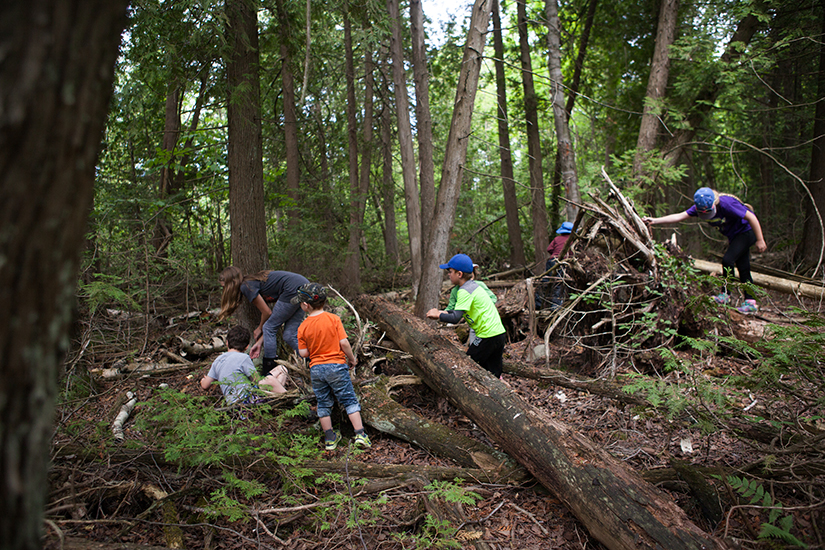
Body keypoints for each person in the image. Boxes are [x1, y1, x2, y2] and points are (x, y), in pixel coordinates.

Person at [643, 187, 767, 313]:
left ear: (714, 204)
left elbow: (752, 218)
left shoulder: (727, 204)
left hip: (747, 232)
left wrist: (760, 239)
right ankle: (750, 302)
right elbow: (680, 216)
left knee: (727, 260)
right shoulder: (699, 207)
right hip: (735, 236)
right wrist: (655, 220)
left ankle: (725, 295)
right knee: (743, 266)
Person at [294, 283, 371, 451]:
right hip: (336, 365)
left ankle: (329, 438)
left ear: (306, 305)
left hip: (316, 369)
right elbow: (343, 342)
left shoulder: (303, 326)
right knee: (349, 400)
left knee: (323, 403)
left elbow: (303, 353)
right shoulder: (333, 319)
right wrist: (352, 359)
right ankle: (360, 434)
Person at [427, 254, 507, 379]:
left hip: (487, 336)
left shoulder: (464, 291)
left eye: (450, 272)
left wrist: (438, 315)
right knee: (493, 373)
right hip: (499, 333)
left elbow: (455, 318)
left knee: (467, 365)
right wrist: (441, 312)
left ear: (459, 274)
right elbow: (454, 312)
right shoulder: (474, 287)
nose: (448, 274)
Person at [218, 266, 309, 376]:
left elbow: (267, 312)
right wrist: (259, 342)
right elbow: (274, 322)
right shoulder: (249, 282)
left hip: (293, 288)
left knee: (268, 327)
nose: (224, 290)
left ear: (231, 282)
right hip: (304, 287)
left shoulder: (246, 286)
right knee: (289, 335)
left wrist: (259, 327)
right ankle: (313, 361)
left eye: (225, 286)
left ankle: (269, 370)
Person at [200, 325, 288, 405]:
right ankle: (289, 399)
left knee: (281, 369)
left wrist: (203, 380)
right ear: (247, 346)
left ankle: (279, 399)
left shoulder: (218, 360)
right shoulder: (243, 358)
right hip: (246, 402)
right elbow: (257, 381)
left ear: (227, 342)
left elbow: (205, 385)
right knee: (272, 377)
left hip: (236, 405)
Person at [446, 262, 497, 345]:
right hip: (473, 325)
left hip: (485, 324)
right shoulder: (455, 291)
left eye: (471, 272)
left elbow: (493, 298)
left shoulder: (479, 285)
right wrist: (443, 314)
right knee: (474, 347)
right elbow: (451, 307)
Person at [545, 221, 573, 308]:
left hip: (552, 261)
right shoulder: (573, 240)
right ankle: (556, 305)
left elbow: (549, 249)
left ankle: (541, 303)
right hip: (563, 263)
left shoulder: (557, 239)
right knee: (559, 283)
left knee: (547, 282)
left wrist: (555, 254)